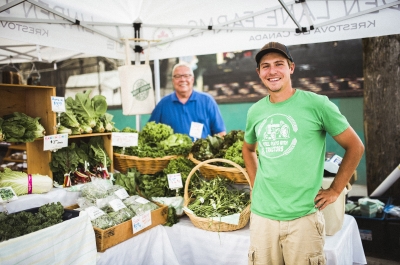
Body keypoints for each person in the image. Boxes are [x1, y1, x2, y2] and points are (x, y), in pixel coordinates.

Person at [242, 42, 364, 265]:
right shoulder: (255, 111)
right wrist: (255, 183)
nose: (272, 71)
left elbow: (355, 146)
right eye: (265, 66)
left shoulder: (317, 105)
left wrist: (336, 189)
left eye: (279, 64)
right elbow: (248, 149)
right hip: (262, 218)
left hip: (304, 218)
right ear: (259, 73)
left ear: (291, 67)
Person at [149, 62, 226, 139]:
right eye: (178, 76)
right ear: (173, 80)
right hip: (173, 151)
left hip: (202, 151)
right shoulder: (163, 104)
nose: (182, 79)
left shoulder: (207, 101)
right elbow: (150, 133)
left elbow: (220, 133)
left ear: (192, 79)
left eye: (186, 76)